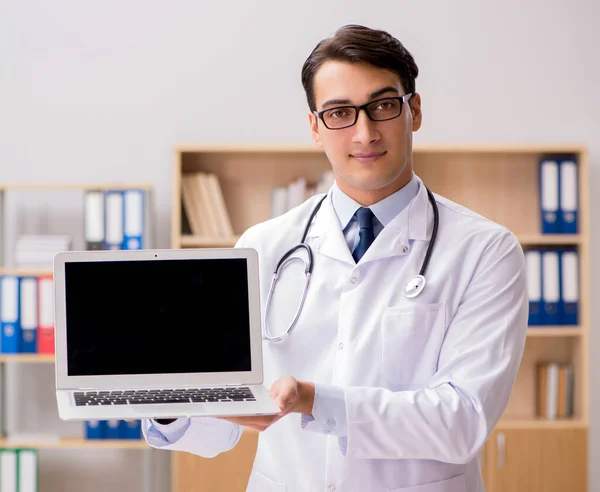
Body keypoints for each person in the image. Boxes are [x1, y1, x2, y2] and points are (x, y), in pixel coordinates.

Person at [142, 24, 528, 492]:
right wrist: (169, 402)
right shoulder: (263, 245)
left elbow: (462, 420)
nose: (364, 132)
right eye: (340, 112)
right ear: (315, 127)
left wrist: (314, 400)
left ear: (415, 111)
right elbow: (222, 426)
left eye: (383, 106)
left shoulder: (485, 250)